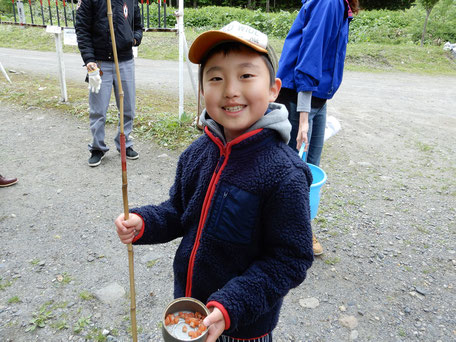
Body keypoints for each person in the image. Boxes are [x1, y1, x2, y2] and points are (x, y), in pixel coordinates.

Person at [115, 21, 314, 342]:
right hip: (190, 309)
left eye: (246, 75)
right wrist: (145, 223)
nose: (230, 89)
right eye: (216, 77)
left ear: (274, 88)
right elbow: (179, 212)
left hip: (242, 325)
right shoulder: (196, 153)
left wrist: (231, 305)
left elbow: (290, 259)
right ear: (203, 90)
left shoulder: (284, 173)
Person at [276, 0, 359, 255]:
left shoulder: (341, 3)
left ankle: (298, 227)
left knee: (309, 170)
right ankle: (282, 235)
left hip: (316, 100)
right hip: (301, 99)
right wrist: (303, 118)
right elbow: (310, 56)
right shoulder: (329, 1)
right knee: (293, 171)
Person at [75, 0, 143, 167]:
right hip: (100, 62)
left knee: (128, 108)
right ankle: (97, 147)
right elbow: (82, 28)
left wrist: (134, 39)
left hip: (125, 61)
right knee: (98, 110)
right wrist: (89, 59)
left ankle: (124, 143)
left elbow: (138, 25)